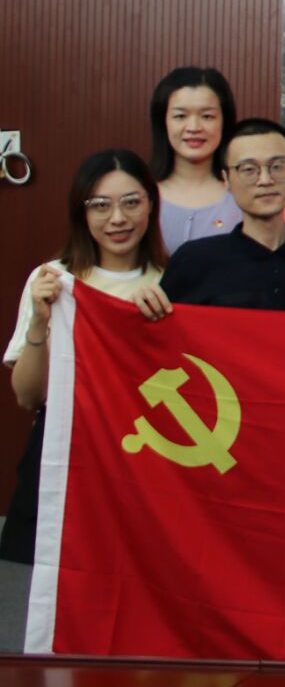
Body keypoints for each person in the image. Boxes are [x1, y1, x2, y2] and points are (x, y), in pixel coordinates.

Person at [3, 150, 173, 602]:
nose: (117, 218)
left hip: (143, 463)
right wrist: (40, 323)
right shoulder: (54, 281)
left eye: (131, 202)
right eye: (100, 205)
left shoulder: (171, 282)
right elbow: (27, 397)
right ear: (82, 211)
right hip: (62, 454)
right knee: (50, 601)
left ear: (151, 205)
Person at [162, 118, 285, 312]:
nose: (265, 180)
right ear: (226, 179)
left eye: (277, 166)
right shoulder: (193, 261)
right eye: (249, 170)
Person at [149, 66, 243, 252]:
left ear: (224, 121)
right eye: (180, 116)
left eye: (207, 116)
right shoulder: (141, 194)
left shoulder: (243, 196)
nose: (193, 127)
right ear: (163, 121)